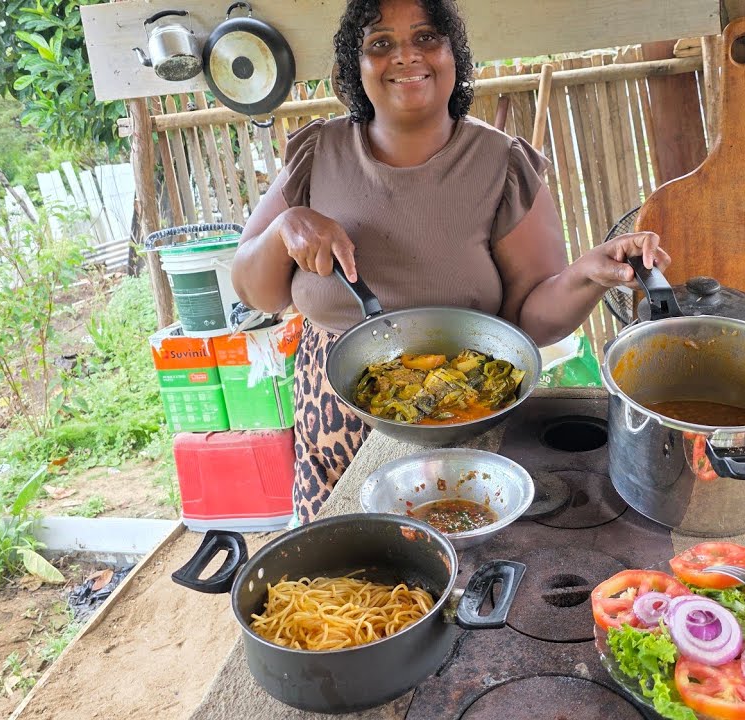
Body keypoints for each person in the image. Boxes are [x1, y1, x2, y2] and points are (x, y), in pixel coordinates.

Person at [233, 0, 670, 523]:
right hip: (337, 414)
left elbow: (531, 320)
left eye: (426, 38)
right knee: (351, 580)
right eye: (380, 44)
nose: (405, 57)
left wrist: (586, 275)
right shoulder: (318, 154)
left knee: (464, 565)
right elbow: (256, 294)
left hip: (472, 416)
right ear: (356, 67)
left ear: (453, 55)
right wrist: (285, 229)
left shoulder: (501, 165)